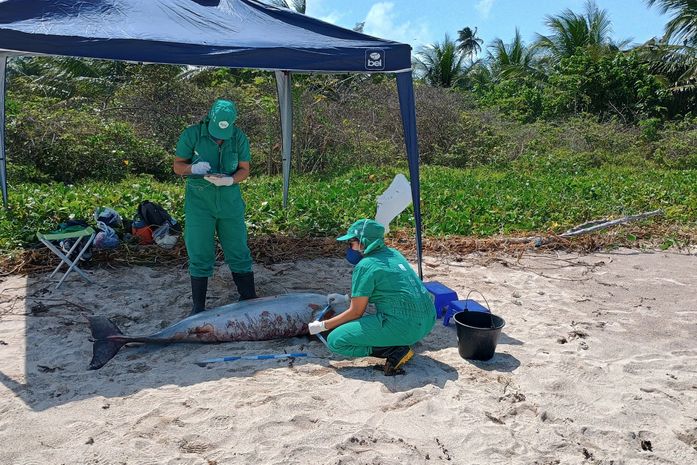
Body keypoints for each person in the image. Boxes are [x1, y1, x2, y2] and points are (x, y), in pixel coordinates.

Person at [309, 219, 436, 375]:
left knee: (336, 340)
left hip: (405, 327)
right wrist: (345, 298)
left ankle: (395, 351)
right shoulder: (394, 254)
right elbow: (389, 287)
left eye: (352, 242)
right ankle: (399, 341)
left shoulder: (365, 265)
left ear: (364, 242)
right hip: (427, 322)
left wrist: (323, 326)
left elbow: (356, 312)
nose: (350, 247)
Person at [173, 99, 257, 315]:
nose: (219, 138)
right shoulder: (191, 134)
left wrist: (229, 180)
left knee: (238, 250)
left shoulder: (239, 138)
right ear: (210, 118)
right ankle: (198, 307)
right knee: (199, 251)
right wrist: (193, 168)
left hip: (230, 202)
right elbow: (177, 166)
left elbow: (244, 169)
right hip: (200, 203)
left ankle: (248, 298)